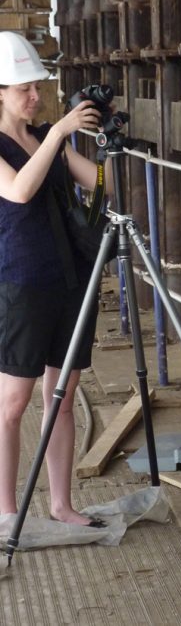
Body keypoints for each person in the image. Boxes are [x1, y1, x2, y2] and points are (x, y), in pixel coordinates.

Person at [0, 31, 112, 527]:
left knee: (61, 397)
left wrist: (107, 142)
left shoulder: (47, 135)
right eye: (24, 88)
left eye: (37, 87)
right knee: (13, 402)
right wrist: (57, 134)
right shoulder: (19, 142)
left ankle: (61, 503)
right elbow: (20, 191)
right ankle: (5, 510)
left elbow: (104, 184)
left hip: (70, 278)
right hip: (20, 281)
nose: (35, 96)